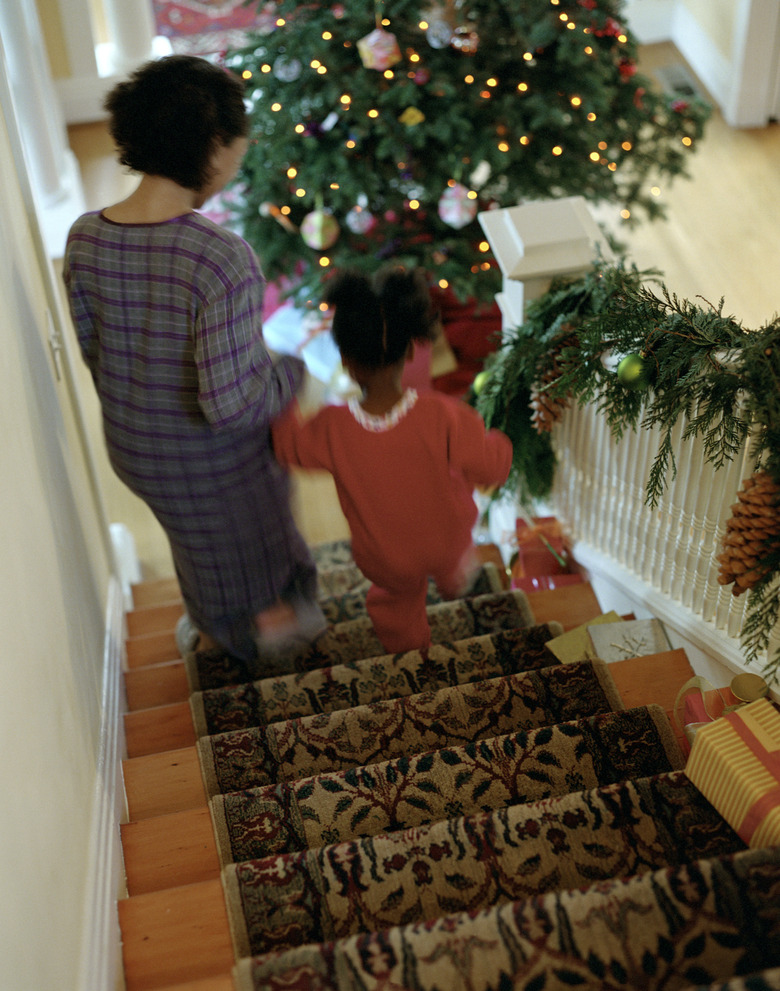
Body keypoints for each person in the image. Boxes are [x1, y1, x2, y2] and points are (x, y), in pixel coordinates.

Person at [62, 54, 324, 662]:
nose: (239, 156)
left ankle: (215, 623)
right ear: (212, 145)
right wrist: (292, 370)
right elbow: (231, 406)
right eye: (237, 144)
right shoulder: (219, 258)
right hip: (210, 459)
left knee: (200, 545)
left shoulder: (85, 234)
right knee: (253, 550)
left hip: (132, 443)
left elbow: (91, 347)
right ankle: (246, 646)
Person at [272, 266, 513, 653]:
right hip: (447, 540)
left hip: (386, 558)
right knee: (449, 550)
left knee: (394, 603)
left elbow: (288, 447)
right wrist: (500, 441)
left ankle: (409, 652)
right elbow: (491, 467)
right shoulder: (444, 415)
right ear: (409, 353)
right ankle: (453, 576)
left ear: (346, 362)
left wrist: (284, 391)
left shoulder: (331, 428)